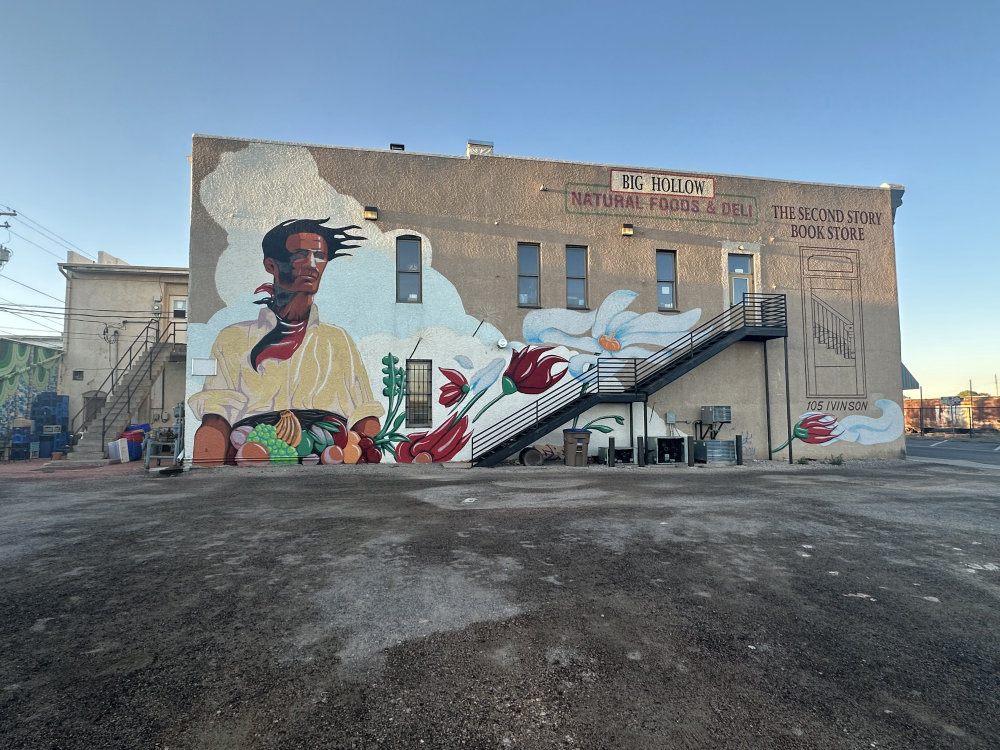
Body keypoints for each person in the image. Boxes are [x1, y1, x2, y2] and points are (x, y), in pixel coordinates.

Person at [189, 218, 383, 465]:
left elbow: (365, 413)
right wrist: (208, 476)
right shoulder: (233, 338)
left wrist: (365, 460)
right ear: (271, 265)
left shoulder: (338, 340)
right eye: (301, 254)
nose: (312, 265)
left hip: (332, 472)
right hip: (251, 465)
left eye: (320, 256)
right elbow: (215, 418)